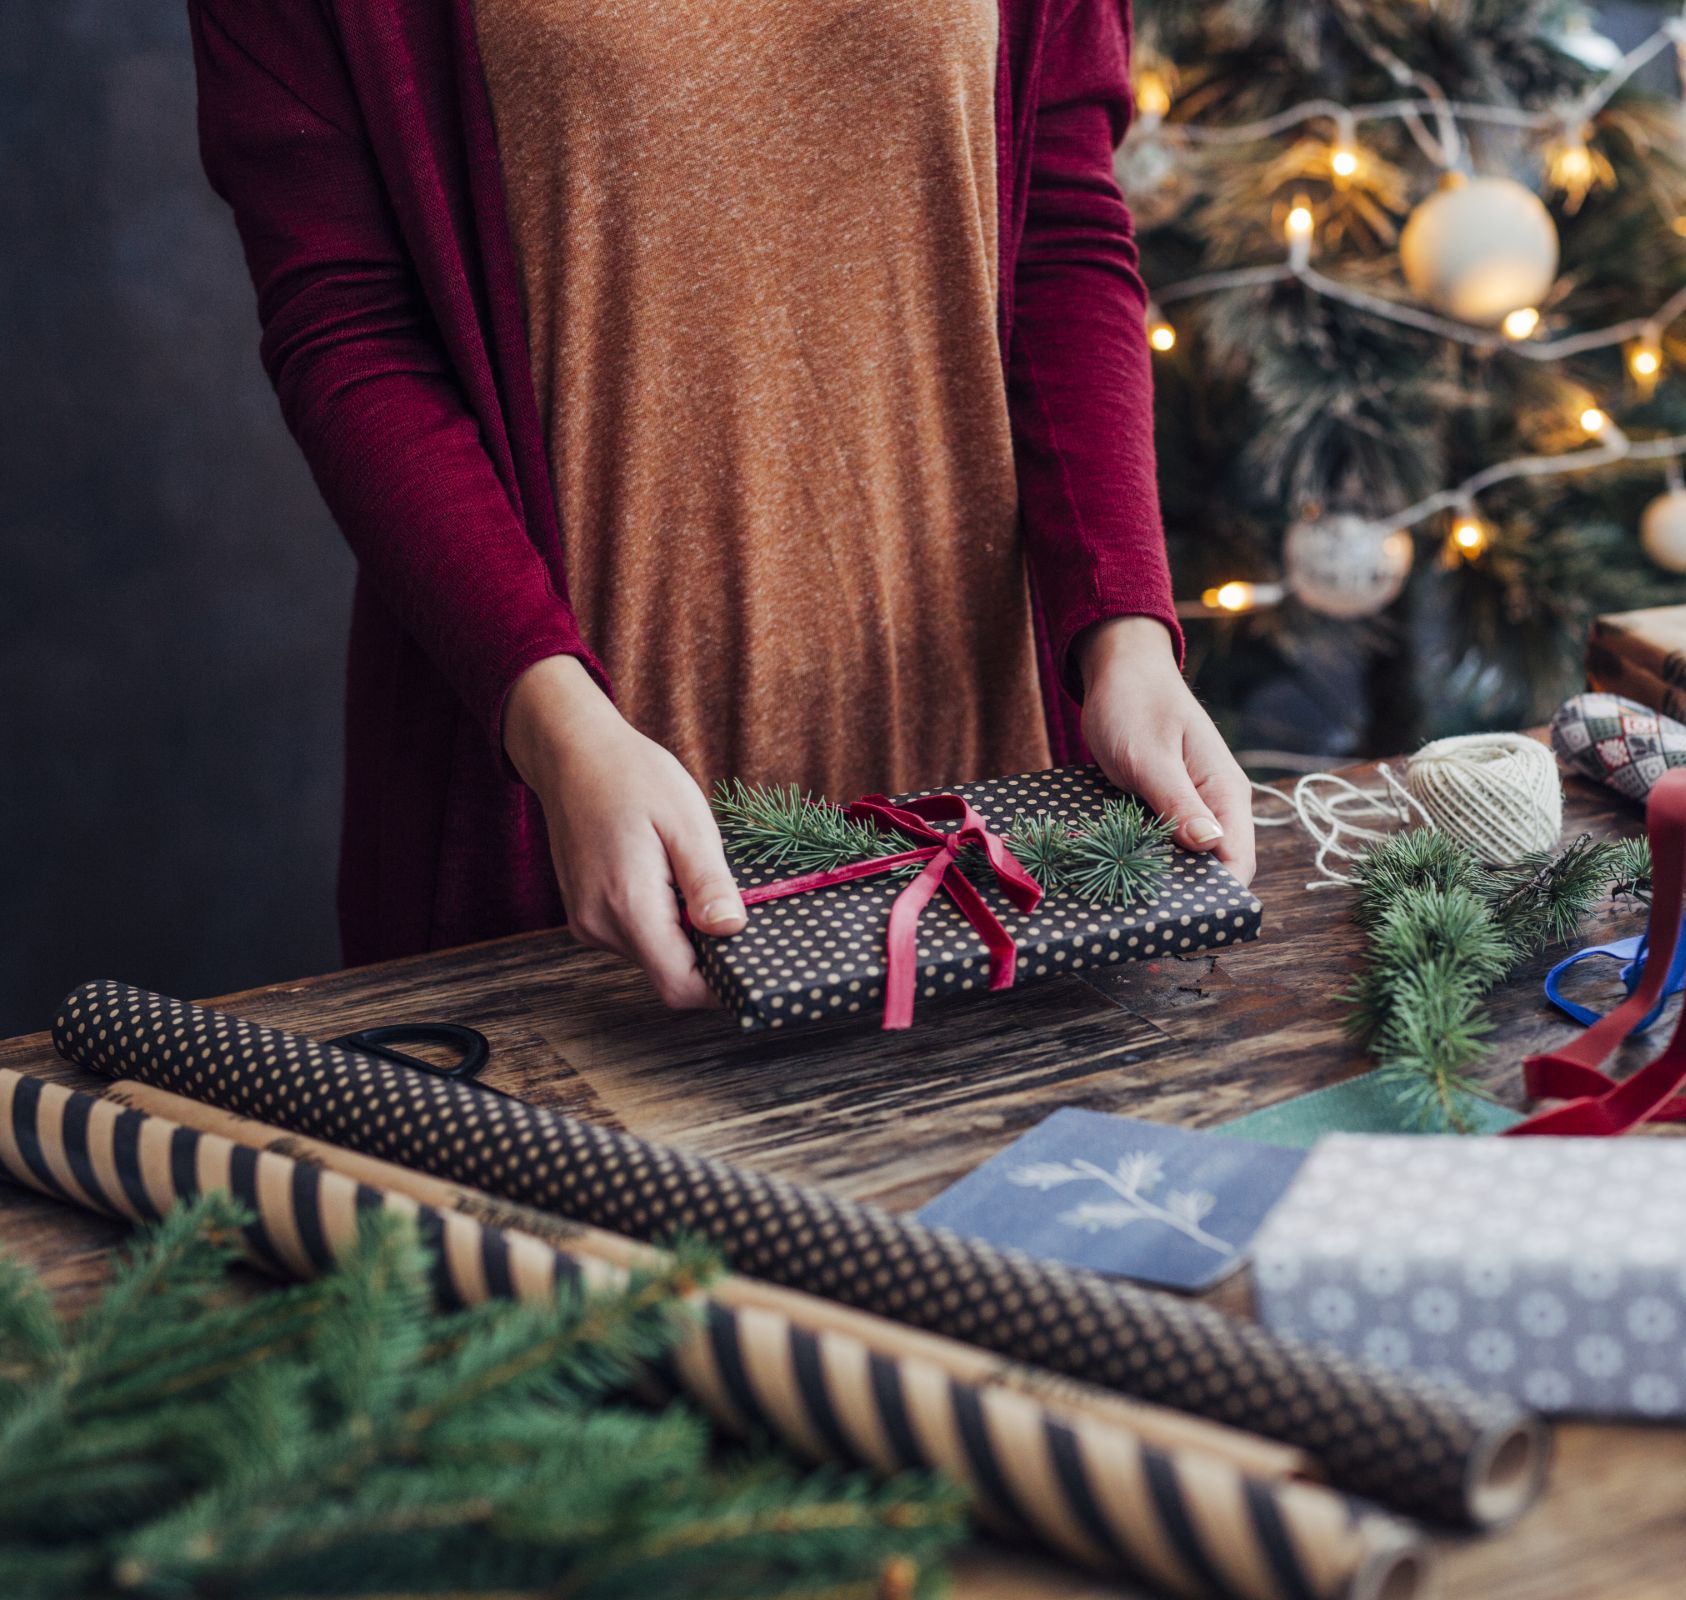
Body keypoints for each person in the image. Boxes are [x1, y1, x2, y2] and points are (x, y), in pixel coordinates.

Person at [188, 0, 1254, 1009]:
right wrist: (561, 737)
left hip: (997, 808)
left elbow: (1060, 234)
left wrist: (1129, 643)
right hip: (582, 814)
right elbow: (352, 331)